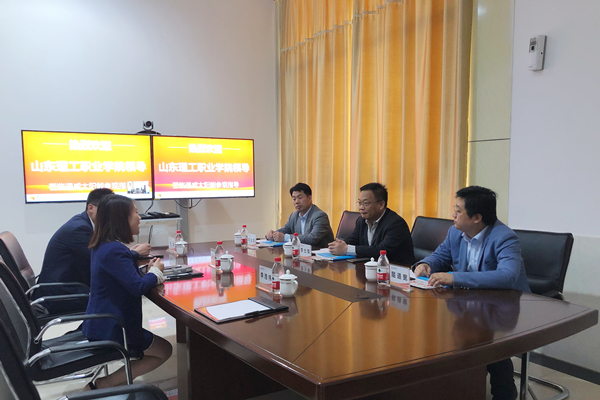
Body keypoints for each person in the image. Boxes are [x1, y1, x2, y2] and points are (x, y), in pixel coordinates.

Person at [414, 186, 530, 400]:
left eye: (458, 211)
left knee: (484, 341)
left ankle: (504, 393)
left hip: (503, 307)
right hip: (470, 303)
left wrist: (455, 277)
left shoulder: (504, 237)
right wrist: (426, 264)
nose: (453, 215)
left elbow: (507, 276)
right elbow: (441, 254)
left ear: (477, 217)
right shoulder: (455, 232)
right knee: (449, 337)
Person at [83, 194, 172, 389]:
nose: (139, 218)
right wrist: (156, 273)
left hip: (101, 323)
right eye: (136, 213)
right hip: (114, 329)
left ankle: (108, 384)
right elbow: (137, 287)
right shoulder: (114, 250)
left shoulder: (104, 245)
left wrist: (140, 263)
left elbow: (121, 271)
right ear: (121, 219)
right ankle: (103, 384)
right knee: (164, 351)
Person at [33, 189, 151, 315]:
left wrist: (129, 255)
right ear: (90, 208)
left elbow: (107, 258)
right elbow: (105, 261)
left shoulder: (85, 224)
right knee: (118, 296)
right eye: (106, 210)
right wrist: (135, 254)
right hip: (62, 294)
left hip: (72, 287)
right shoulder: (79, 229)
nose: (109, 215)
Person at [328, 183, 415, 264]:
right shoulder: (361, 221)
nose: (361, 207)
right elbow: (353, 240)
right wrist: (339, 245)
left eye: (366, 203)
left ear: (381, 205)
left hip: (396, 270)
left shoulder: (396, 224)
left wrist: (347, 249)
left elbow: (381, 250)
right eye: (359, 203)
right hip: (371, 267)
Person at [266, 183, 334, 248]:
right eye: (294, 199)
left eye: (300, 198)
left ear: (309, 198)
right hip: (301, 254)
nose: (296, 202)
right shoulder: (294, 215)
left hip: (319, 254)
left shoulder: (320, 216)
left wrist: (285, 237)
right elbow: (285, 230)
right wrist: (273, 234)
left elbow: (312, 238)